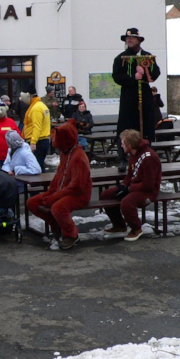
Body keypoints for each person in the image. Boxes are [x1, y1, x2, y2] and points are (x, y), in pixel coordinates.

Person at [25, 119, 92, 250]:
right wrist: (51, 192)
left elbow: (77, 186)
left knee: (58, 207)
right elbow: (59, 176)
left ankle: (71, 234)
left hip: (80, 194)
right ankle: (56, 225)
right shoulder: (65, 153)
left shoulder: (78, 157)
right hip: (64, 192)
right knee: (32, 203)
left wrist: (55, 197)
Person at [99, 129, 162, 242]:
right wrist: (123, 185)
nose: (121, 145)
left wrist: (129, 188)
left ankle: (136, 229)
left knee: (127, 202)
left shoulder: (149, 157)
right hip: (135, 187)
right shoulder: (133, 154)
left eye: (123, 143)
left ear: (130, 144)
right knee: (106, 195)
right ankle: (119, 225)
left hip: (148, 192)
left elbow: (149, 185)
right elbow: (130, 174)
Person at [112, 28, 161, 171]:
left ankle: (146, 155)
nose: (129, 40)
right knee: (126, 125)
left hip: (144, 95)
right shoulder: (120, 58)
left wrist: (145, 74)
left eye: (132, 38)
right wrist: (132, 78)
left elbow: (155, 73)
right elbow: (116, 76)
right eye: (127, 38)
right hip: (128, 95)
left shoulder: (147, 56)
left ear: (139, 40)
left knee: (145, 125)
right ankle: (123, 157)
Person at [20, 83, 51, 172]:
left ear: (29, 95)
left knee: (36, 166)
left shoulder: (36, 108)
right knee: (39, 164)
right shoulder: (41, 105)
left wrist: (33, 143)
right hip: (42, 140)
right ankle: (43, 184)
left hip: (38, 141)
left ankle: (41, 184)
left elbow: (37, 126)